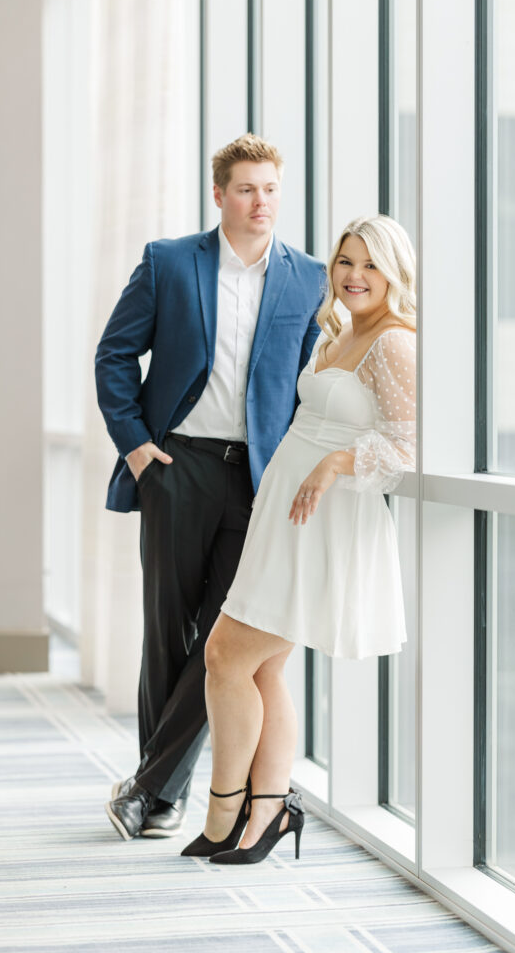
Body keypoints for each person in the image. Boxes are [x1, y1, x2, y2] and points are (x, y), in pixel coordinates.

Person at [95, 133, 325, 841]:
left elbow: (314, 380)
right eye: (247, 189)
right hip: (178, 467)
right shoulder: (168, 262)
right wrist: (136, 448)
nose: (261, 203)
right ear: (220, 195)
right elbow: (115, 353)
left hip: (259, 480)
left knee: (222, 641)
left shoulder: (308, 277)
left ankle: (148, 789)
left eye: (271, 190)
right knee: (168, 631)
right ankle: (161, 795)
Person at [180, 213, 416, 864]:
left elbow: (410, 445)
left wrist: (335, 463)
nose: (354, 276)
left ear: (393, 271)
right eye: (345, 262)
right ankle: (264, 813)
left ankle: (229, 814)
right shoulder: (338, 333)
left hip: (326, 525)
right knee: (262, 665)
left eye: (369, 264)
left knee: (227, 654)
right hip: (284, 517)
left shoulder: (395, 342)